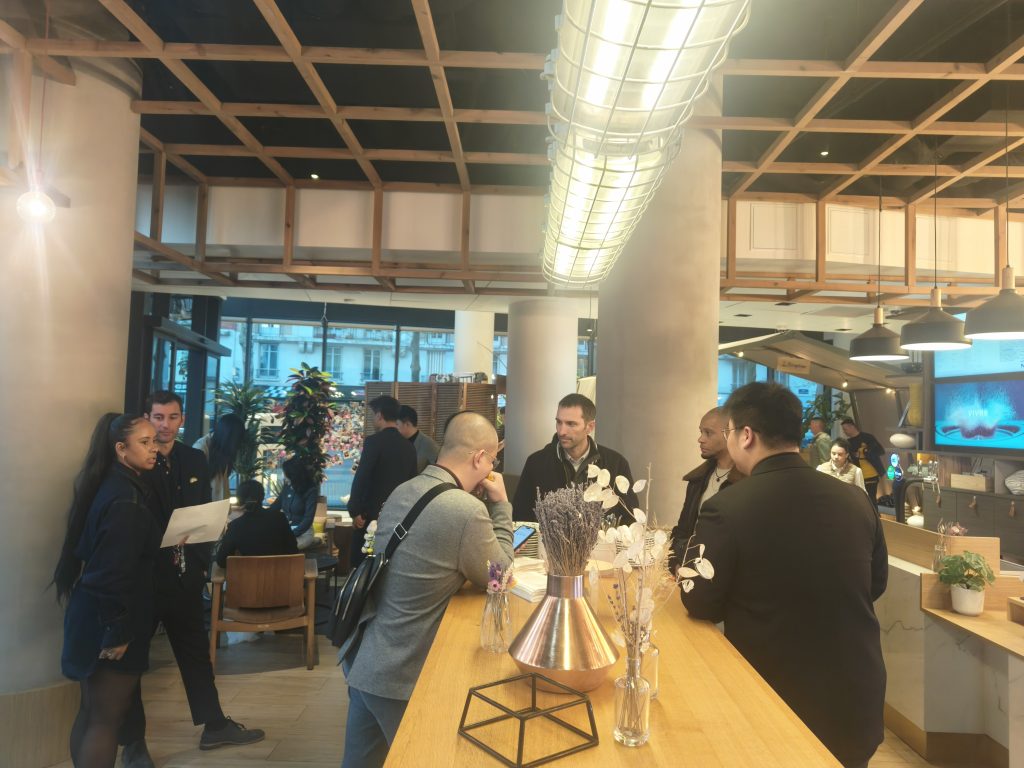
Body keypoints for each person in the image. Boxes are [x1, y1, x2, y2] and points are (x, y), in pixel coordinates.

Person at [680, 382, 887, 768]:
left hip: (773, 696)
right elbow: (876, 583)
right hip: (854, 696)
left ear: (746, 435)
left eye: (728, 431)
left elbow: (700, 601)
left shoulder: (726, 507)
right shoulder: (855, 499)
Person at [341, 411, 513, 768]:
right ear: (480, 458)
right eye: (492, 461)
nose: (490, 469)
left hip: (365, 656)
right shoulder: (465, 510)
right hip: (402, 672)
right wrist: (500, 504)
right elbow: (500, 576)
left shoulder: (404, 490)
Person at [118, 392, 263, 767]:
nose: (165, 425)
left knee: (196, 653)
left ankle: (214, 725)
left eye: (172, 417)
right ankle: (133, 742)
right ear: (147, 418)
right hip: (144, 577)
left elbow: (203, 515)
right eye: (158, 417)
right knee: (133, 660)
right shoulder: (138, 462)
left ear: (182, 420)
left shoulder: (194, 458)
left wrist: (199, 566)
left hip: (184, 576)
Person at [54, 414, 160, 768]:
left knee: (92, 713)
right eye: (144, 442)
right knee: (105, 720)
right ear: (120, 449)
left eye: (154, 440)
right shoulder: (126, 499)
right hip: (109, 618)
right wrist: (118, 630)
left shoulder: (111, 484)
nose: (154, 448)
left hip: (93, 612)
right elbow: (111, 574)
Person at [512, 393, 636, 523]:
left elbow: (630, 519)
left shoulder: (616, 464)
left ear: (589, 427)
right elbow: (520, 518)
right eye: (559, 422)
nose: (561, 431)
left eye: (571, 424)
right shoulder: (536, 463)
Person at [668, 407, 744, 576]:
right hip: (690, 571)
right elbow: (683, 529)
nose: (700, 439)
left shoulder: (746, 483)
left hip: (725, 577)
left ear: (730, 434)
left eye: (708, 433)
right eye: (701, 432)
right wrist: (676, 564)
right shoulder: (698, 479)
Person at [348, 395, 418, 568]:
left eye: (374, 415)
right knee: (389, 564)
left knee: (362, 564)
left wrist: (355, 510)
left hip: (370, 517)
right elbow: (413, 483)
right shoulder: (409, 447)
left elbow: (362, 477)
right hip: (398, 518)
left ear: (379, 415)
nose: (373, 419)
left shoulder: (374, 442)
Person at [216, 480, 298, 566]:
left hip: (248, 574)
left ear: (240, 500)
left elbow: (221, 561)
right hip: (281, 573)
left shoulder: (235, 526)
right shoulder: (280, 518)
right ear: (262, 497)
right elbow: (293, 550)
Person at [267, 457, 320, 550]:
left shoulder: (310, 490)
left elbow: (308, 519)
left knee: (281, 548)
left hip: (303, 533)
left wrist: (291, 534)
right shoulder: (287, 487)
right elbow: (274, 507)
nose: (283, 476)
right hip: (285, 531)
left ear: (292, 474)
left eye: (284, 473)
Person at [193, 413, 246, 502]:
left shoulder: (222, 449)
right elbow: (194, 487)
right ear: (228, 436)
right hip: (204, 507)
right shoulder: (201, 448)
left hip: (218, 507)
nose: (236, 444)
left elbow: (222, 487)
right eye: (236, 439)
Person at [841, 418, 886, 506]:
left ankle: (874, 514)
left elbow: (880, 451)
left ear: (852, 427)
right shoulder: (848, 443)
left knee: (871, 498)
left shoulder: (868, 437)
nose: (844, 431)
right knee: (861, 498)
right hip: (858, 473)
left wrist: (865, 451)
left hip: (871, 473)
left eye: (845, 429)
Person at [396, 404, 440, 472]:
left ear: (407, 424)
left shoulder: (429, 445)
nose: (393, 427)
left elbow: (437, 471)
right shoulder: (396, 441)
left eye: (396, 424)